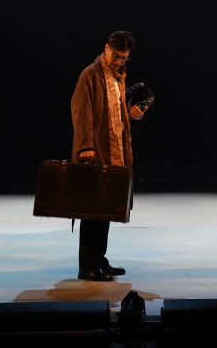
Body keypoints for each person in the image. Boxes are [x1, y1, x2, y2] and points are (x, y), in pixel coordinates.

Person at [70, 30, 147, 282]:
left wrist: (133, 116)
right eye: (116, 56)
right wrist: (85, 146)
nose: (119, 62)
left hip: (115, 153)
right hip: (95, 152)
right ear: (106, 48)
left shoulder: (118, 76)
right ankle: (87, 266)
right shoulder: (90, 75)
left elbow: (116, 116)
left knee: (106, 210)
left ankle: (99, 261)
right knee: (92, 210)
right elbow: (81, 112)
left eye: (124, 58)